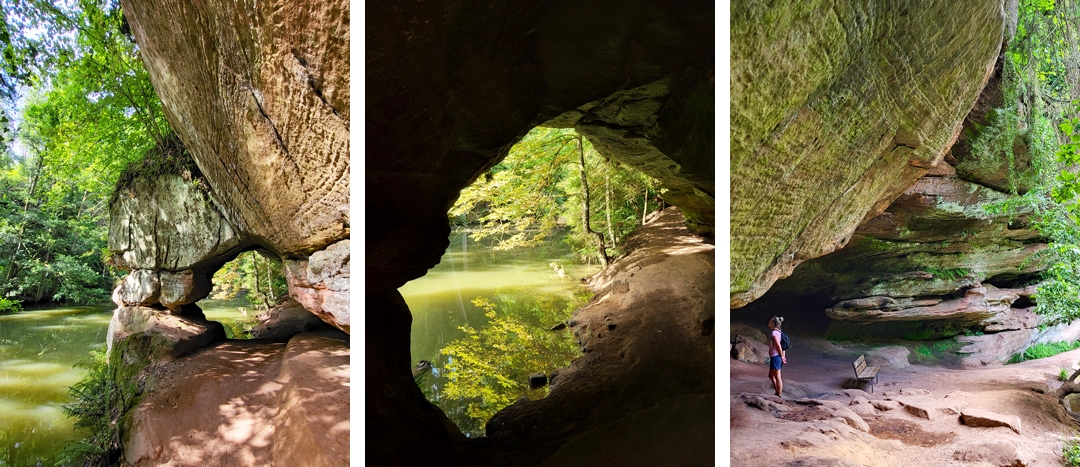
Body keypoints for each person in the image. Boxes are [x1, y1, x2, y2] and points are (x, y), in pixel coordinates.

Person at [767, 316, 787, 400]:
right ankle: (777, 392)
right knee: (771, 375)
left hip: (776, 356)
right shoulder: (779, 332)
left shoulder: (774, 333)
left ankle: (779, 396)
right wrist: (783, 355)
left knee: (777, 376)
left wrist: (781, 357)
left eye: (770, 321)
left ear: (773, 323)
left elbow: (779, 345)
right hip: (776, 356)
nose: (769, 322)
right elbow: (782, 346)